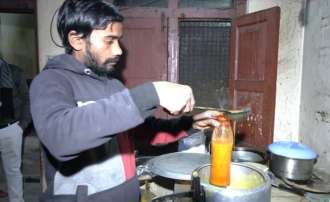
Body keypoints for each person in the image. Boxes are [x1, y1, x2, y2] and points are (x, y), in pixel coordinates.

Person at [29, 0, 221, 201]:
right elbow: (59, 137)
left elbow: (144, 131)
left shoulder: (113, 85)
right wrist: (151, 93)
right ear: (77, 40)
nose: (118, 50)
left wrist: (190, 124)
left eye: (118, 40)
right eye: (109, 40)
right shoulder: (51, 81)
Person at [0, 58, 31, 202]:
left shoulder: (14, 72)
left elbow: (27, 99)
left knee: (13, 172)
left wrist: (22, 125)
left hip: (10, 129)